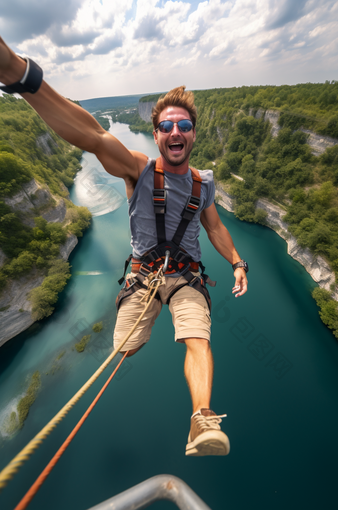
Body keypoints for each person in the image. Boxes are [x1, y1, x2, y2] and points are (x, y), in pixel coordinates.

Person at [0, 37, 248, 456]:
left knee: (197, 338)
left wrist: (239, 263)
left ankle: (201, 420)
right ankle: (139, 332)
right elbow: (93, 137)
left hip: (188, 278)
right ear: (155, 134)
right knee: (126, 348)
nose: (175, 132)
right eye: (167, 126)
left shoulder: (204, 183)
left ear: (192, 136)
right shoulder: (138, 170)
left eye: (183, 126)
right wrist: (23, 77)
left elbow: (216, 227)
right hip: (143, 276)